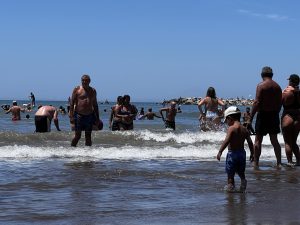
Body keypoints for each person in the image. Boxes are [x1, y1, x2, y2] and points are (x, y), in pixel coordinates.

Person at [250, 66, 282, 167]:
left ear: (262, 75)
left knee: (258, 140)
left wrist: (250, 117)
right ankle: (279, 162)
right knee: (274, 140)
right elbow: (280, 102)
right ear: (272, 75)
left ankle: (256, 163)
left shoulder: (261, 86)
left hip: (263, 115)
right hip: (274, 115)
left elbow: (257, 102)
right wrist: (276, 111)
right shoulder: (277, 87)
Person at [217, 106, 254, 192]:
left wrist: (220, 151)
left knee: (230, 174)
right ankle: (243, 182)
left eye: (226, 120)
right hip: (242, 154)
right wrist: (252, 153)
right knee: (241, 172)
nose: (226, 123)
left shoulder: (231, 128)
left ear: (230, 118)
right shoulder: (245, 129)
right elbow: (250, 142)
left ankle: (230, 189)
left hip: (232, 154)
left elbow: (227, 141)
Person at [69, 74, 100, 146]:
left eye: (86, 80)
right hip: (79, 115)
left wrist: (97, 118)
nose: (84, 82)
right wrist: (71, 116)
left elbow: (95, 105)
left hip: (89, 115)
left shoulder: (93, 90)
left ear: (89, 81)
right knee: (78, 136)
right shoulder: (77, 89)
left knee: (88, 137)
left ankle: (88, 153)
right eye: (83, 80)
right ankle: (71, 150)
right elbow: (72, 103)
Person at [281, 74, 300, 166]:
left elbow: (279, 103)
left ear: (291, 82)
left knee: (288, 142)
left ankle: (290, 162)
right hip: (298, 118)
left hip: (287, 117)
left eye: (289, 80)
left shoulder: (286, 93)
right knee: (294, 142)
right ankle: (299, 161)